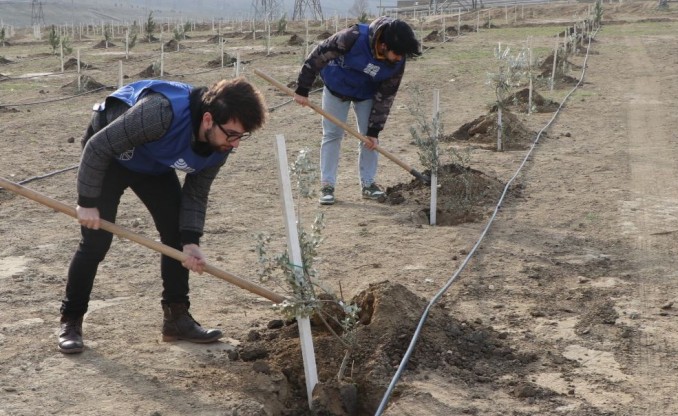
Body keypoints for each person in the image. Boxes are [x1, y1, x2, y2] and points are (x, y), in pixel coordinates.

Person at [57, 78, 267, 354]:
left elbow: (196, 192)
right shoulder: (160, 113)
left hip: (153, 163)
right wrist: (86, 202)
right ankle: (71, 320)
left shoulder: (221, 146)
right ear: (207, 119)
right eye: (232, 134)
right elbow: (97, 147)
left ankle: (176, 319)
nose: (235, 144)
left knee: (177, 238)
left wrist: (191, 241)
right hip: (111, 154)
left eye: (241, 136)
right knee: (96, 242)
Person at [293, 16, 421, 205]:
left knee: (369, 141)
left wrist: (374, 129)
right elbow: (318, 55)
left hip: (366, 94)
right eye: (398, 53)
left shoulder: (397, 62)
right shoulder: (352, 37)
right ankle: (327, 185)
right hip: (336, 88)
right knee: (332, 135)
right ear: (384, 45)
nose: (400, 58)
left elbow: (386, 96)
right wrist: (303, 89)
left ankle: (368, 184)